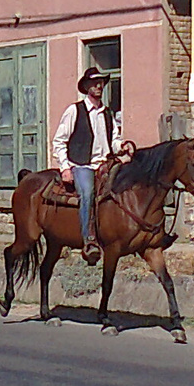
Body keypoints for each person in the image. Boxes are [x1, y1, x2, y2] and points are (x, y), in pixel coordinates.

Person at [52, 67, 123, 265]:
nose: (98, 86)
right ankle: (89, 239)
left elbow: (114, 140)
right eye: (94, 83)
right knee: (88, 192)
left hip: (105, 163)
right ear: (86, 87)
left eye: (101, 82)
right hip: (82, 164)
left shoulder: (107, 113)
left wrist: (122, 147)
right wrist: (65, 167)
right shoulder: (74, 110)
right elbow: (59, 140)